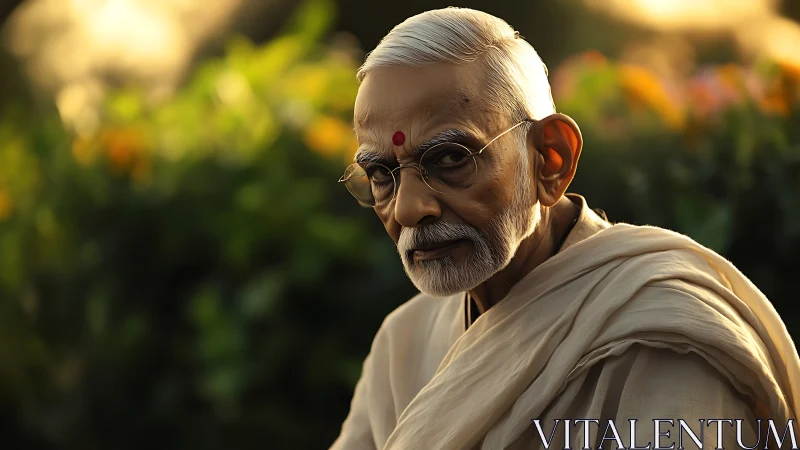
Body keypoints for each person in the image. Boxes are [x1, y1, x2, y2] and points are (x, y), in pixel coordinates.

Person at [329, 7, 799, 450]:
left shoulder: (661, 337)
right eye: (381, 175)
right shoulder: (403, 345)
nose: (409, 209)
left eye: (451, 158)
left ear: (550, 160)